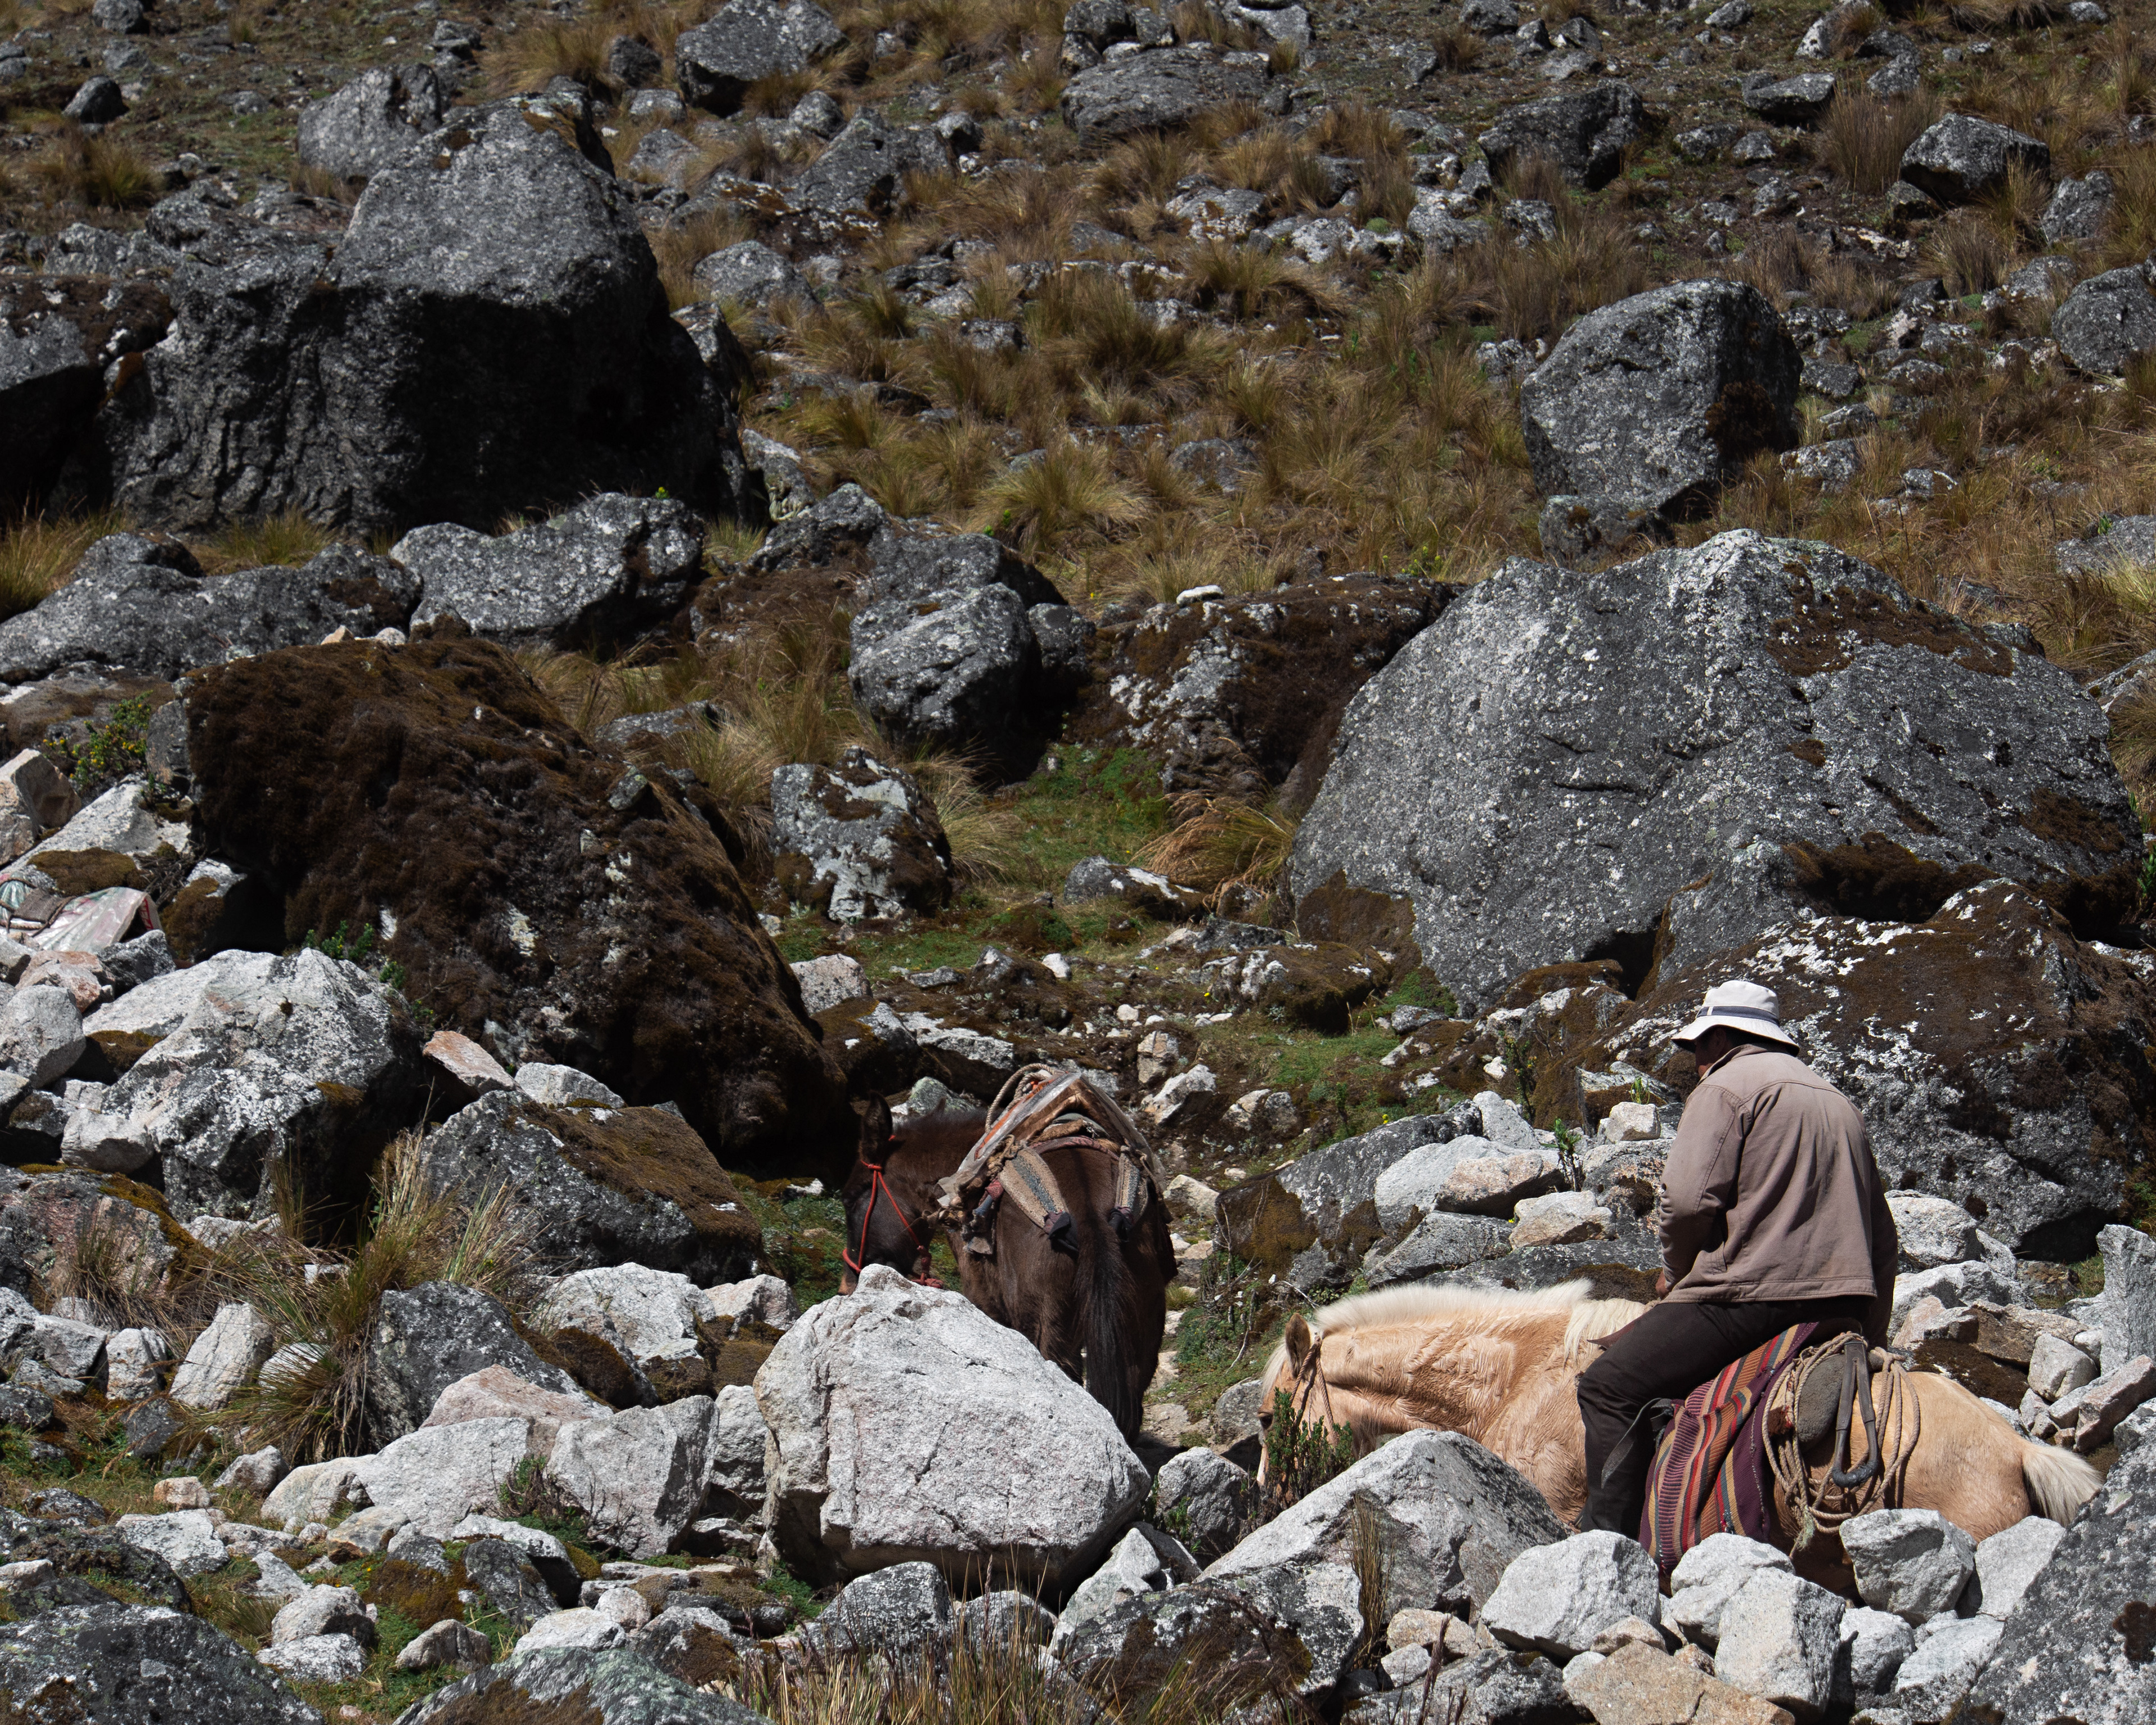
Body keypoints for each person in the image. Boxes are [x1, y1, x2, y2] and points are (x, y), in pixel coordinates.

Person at [1574, 978, 1899, 1536]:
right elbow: (1884, 1240)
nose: (1695, 1059)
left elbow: (1685, 1202)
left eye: (1699, 1045)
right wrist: (1871, 1332)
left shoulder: (1727, 1088)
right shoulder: (1838, 1101)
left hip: (1753, 1299)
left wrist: (1675, 1275)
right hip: (1843, 1300)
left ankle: (1609, 1542)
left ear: (1723, 1038)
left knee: (1609, 1385)